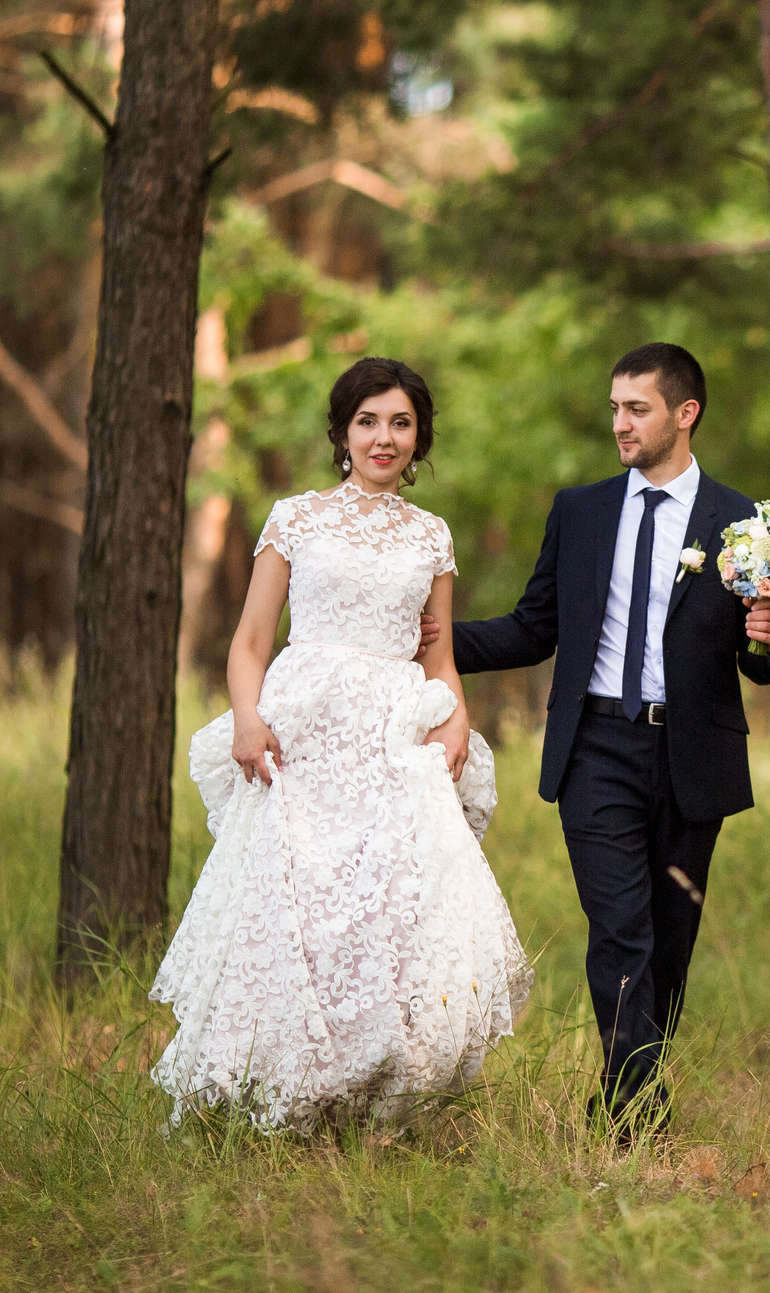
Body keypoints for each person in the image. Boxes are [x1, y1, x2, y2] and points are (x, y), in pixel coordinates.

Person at [151, 358, 529, 1135]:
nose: (383, 437)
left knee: (384, 904)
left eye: (400, 422)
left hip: (391, 731)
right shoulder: (295, 518)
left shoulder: (432, 535)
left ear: (419, 437)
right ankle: (274, 1080)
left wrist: (455, 718)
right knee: (296, 899)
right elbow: (251, 640)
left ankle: (377, 1091)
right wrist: (247, 717)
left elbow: (439, 655)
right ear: (343, 432)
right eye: (368, 421)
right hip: (303, 728)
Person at [440, 343, 770, 1139]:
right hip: (595, 746)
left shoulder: (742, 523)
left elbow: (761, 659)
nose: (620, 423)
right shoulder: (582, 510)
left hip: (692, 754)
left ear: (685, 413)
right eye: (614, 408)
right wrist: (426, 640)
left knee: (670, 939)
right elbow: (534, 628)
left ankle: (624, 1087)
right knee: (622, 928)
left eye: (636, 408)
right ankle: (635, 1117)